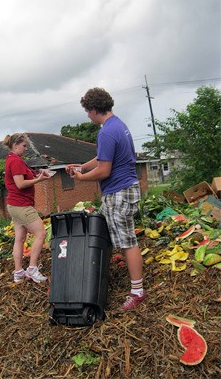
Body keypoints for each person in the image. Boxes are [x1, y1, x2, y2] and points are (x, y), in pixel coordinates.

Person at [66, 88, 146, 311]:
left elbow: (103, 171)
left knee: (128, 241)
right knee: (109, 232)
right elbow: (101, 158)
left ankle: (137, 292)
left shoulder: (107, 132)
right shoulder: (116, 125)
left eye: (87, 112)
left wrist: (81, 178)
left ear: (93, 109)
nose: (87, 116)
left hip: (119, 192)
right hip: (124, 190)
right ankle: (126, 274)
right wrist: (81, 166)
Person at [3, 133, 51, 284]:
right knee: (41, 233)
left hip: (14, 205)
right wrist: (39, 179)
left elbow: (25, 176)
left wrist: (37, 173)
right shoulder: (16, 161)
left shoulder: (14, 160)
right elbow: (20, 184)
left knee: (20, 239)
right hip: (22, 205)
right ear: (15, 145)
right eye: (24, 146)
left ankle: (18, 272)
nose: (25, 149)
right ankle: (32, 269)